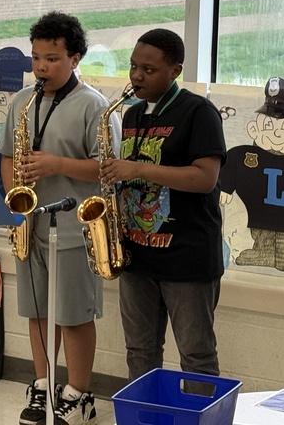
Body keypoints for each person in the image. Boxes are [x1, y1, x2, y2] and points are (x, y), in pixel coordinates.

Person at [0, 11, 118, 425]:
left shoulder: (95, 107)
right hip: (30, 225)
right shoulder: (23, 101)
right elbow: (8, 158)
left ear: (75, 58)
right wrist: (16, 194)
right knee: (36, 311)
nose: (41, 67)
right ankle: (44, 384)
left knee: (74, 314)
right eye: (36, 58)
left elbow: (107, 170)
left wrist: (54, 165)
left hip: (73, 228)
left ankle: (79, 394)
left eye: (51, 58)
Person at [99, 28, 226, 381]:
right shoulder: (133, 113)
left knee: (196, 355)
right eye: (133, 66)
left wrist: (137, 168)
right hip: (138, 256)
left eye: (149, 70)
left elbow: (205, 178)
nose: (137, 76)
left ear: (175, 70)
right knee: (139, 351)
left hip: (187, 256)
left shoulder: (199, 112)